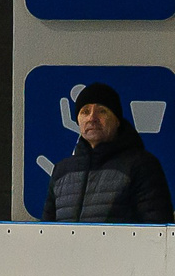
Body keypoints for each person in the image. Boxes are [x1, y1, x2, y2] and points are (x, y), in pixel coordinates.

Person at [41, 82, 171, 224]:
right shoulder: (61, 171)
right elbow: (47, 231)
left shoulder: (142, 165)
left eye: (102, 111)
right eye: (85, 111)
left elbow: (157, 231)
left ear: (117, 120)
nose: (92, 118)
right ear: (78, 120)